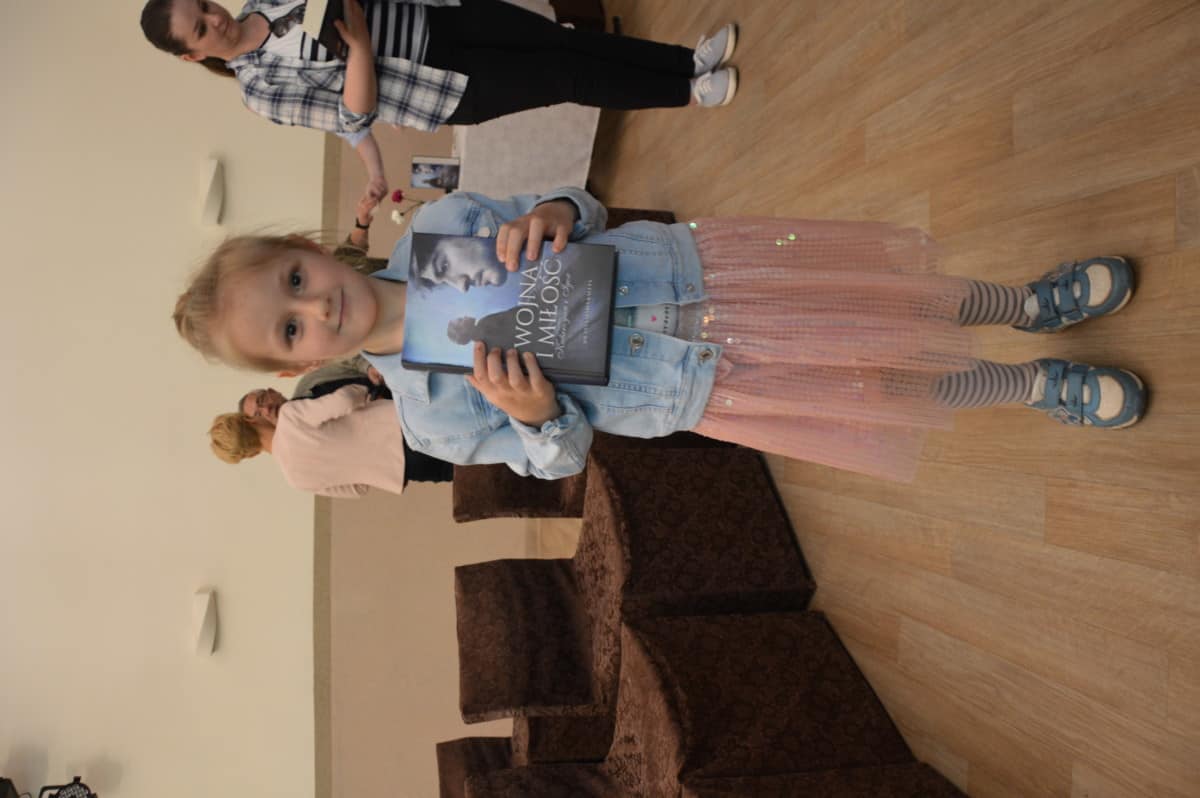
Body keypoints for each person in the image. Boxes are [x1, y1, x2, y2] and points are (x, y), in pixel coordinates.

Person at [174, 187, 1147, 483]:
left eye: (296, 281)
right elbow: (555, 462)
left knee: (886, 305)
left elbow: (582, 206)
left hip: (706, 273)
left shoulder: (442, 225)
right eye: (291, 329)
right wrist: (537, 414)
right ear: (304, 364)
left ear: (310, 248)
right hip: (702, 384)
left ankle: (1025, 305)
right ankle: (1032, 387)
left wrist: (556, 213)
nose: (317, 308)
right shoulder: (428, 417)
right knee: (879, 387)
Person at [140, 0, 741, 208]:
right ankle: (688, 93)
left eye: (205, 7)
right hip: (440, 88)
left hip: (440, 18)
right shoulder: (260, 91)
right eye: (201, 29)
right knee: (567, 80)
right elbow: (353, 116)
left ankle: (686, 59)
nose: (216, 19)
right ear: (193, 55)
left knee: (565, 41)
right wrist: (359, 48)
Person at [211, 381, 451, 496]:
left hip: (406, 470)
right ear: (249, 421)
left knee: (465, 473)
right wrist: (362, 392)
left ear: (250, 454)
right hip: (403, 426)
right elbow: (345, 400)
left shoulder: (295, 479)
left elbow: (357, 489)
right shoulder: (289, 417)